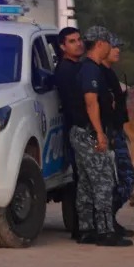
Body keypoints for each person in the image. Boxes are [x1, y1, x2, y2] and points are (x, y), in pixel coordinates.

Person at [68, 26, 133, 247]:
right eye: (108, 43)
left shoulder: (91, 69)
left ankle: (87, 230)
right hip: (88, 133)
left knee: (86, 184)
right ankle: (105, 231)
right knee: (104, 181)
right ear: (100, 44)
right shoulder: (91, 70)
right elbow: (91, 102)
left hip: (82, 132)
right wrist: (99, 133)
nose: (111, 47)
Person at [101, 35, 134, 238]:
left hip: (116, 131)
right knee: (125, 178)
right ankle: (107, 221)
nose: (117, 51)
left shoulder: (109, 73)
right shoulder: (100, 74)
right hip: (109, 134)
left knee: (121, 179)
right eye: (114, 47)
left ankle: (109, 220)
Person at [53, 27, 85, 238]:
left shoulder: (77, 67)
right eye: (72, 41)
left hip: (81, 127)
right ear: (63, 47)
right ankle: (79, 227)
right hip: (78, 128)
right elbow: (75, 104)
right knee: (82, 176)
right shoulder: (65, 70)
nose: (78, 43)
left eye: (79, 39)